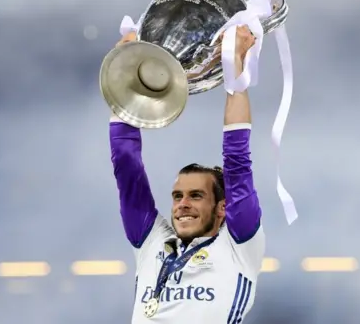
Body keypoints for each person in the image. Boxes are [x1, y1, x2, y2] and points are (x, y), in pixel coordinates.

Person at [109, 26, 264, 323]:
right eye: (178, 196)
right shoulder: (152, 243)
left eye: (196, 196)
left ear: (222, 208)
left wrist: (236, 66)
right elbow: (125, 165)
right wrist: (125, 72)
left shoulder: (238, 246)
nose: (182, 204)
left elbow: (238, 161)